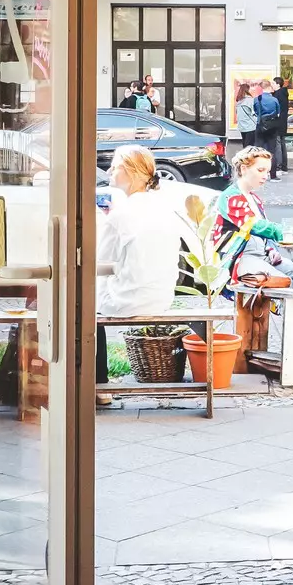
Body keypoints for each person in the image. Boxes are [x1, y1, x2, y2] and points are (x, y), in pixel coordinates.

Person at [96, 145, 196, 398]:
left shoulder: (121, 214)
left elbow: (100, 263)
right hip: (161, 296)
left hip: (128, 300)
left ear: (131, 172)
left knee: (80, 307)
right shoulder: (163, 209)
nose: (109, 170)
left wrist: (108, 223)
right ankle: (98, 384)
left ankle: (97, 382)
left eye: (116, 166)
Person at [213, 146, 293, 290]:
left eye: (267, 171)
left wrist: (271, 249)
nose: (265, 176)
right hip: (238, 258)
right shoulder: (230, 197)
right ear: (243, 169)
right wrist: (292, 231)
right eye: (260, 170)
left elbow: (264, 231)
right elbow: (257, 226)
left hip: (261, 256)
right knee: (284, 281)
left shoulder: (254, 198)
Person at [253, 79, 285, 164]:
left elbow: (255, 111)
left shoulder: (257, 99)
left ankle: (259, 168)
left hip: (260, 125)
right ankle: (273, 174)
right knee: (272, 150)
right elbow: (278, 112)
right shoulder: (274, 100)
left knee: (259, 150)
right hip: (272, 126)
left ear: (261, 87)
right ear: (269, 86)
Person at [233, 81, 260, 152]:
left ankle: (244, 159)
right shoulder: (250, 100)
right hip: (250, 126)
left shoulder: (238, 101)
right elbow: (254, 112)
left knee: (245, 145)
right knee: (250, 147)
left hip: (242, 127)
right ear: (247, 90)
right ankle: (249, 161)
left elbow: (237, 113)